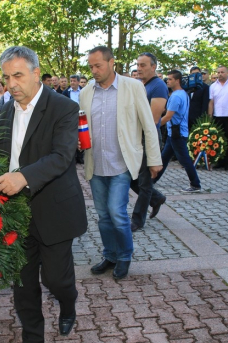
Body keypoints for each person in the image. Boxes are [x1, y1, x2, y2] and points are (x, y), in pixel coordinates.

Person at [0, 46, 87, 343]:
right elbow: (5, 156)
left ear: (35, 72)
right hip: (15, 213)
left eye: (17, 75)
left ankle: (68, 305)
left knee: (57, 281)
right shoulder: (4, 112)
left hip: (53, 210)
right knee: (23, 283)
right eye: (6, 77)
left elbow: (62, 156)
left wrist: (22, 177)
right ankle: (32, 340)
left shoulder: (64, 107)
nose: (11, 83)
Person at [80, 46, 162, 280]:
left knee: (117, 213)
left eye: (98, 65)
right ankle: (110, 255)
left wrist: (154, 160)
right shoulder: (86, 92)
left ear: (111, 63)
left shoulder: (133, 87)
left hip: (122, 164)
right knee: (103, 215)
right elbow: (83, 125)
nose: (94, 70)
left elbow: (149, 125)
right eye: (91, 66)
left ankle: (124, 256)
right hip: (96, 164)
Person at [130, 52, 168, 232]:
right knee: (130, 178)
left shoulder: (159, 86)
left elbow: (152, 119)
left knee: (144, 181)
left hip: (149, 138)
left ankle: (137, 220)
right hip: (137, 137)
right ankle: (156, 198)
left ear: (153, 67)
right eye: (138, 64)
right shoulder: (139, 85)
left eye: (143, 65)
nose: (139, 68)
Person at [155, 70, 201, 192]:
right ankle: (152, 180)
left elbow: (168, 116)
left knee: (185, 159)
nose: (167, 81)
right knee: (164, 158)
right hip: (175, 133)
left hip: (177, 133)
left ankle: (195, 184)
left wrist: (154, 125)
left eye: (170, 79)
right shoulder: (183, 94)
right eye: (167, 79)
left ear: (177, 80)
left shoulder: (175, 96)